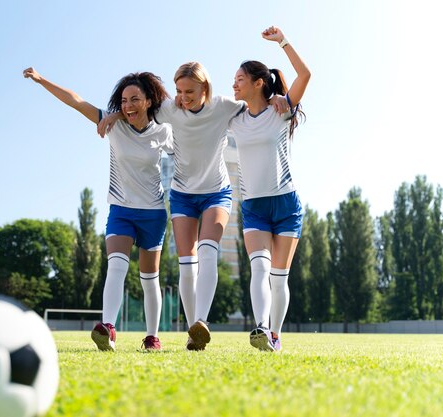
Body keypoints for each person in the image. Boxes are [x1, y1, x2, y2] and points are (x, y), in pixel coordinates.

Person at [100, 63, 288, 350]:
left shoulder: (224, 106)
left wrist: (274, 98)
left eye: (189, 91)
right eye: (178, 91)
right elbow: (136, 111)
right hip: (183, 194)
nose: (183, 98)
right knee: (187, 266)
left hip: (217, 192)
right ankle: (193, 333)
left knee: (208, 252)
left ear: (205, 89)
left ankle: (201, 321)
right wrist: (113, 114)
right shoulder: (168, 109)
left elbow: (254, 103)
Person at [23, 67, 173, 351]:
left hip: (153, 212)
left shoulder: (164, 131)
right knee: (116, 265)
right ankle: (108, 327)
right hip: (121, 210)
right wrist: (42, 79)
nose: (128, 105)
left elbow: (187, 142)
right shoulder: (112, 123)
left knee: (149, 278)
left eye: (134, 99)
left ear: (149, 101)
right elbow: (75, 100)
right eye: (124, 100)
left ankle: (152, 337)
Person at [229, 26, 311, 352]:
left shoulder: (281, 110)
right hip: (254, 205)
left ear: (258, 82)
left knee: (279, 277)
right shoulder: (233, 118)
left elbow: (305, 74)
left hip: (286, 204)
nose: (233, 84)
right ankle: (261, 328)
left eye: (239, 79)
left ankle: (275, 336)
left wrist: (283, 42)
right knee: (259, 268)